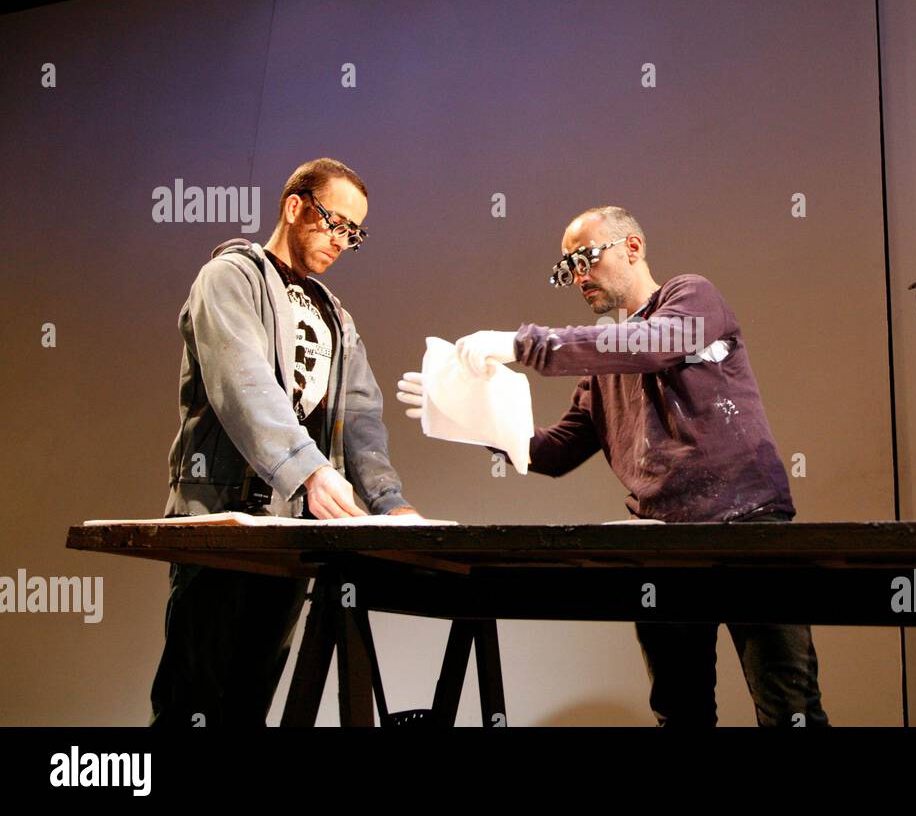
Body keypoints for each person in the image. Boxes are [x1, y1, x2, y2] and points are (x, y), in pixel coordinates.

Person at [398, 206, 828, 727]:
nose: (578, 275)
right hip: (663, 544)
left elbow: (651, 345)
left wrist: (522, 344)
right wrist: (473, 420)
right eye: (567, 268)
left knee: (790, 710)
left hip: (749, 529)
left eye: (585, 257)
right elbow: (554, 452)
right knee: (680, 713)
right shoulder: (604, 370)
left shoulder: (690, 296)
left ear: (633, 247)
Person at [150, 158, 418, 726]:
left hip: (290, 529)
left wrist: (391, 503)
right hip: (221, 519)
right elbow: (242, 383)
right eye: (333, 222)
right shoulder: (231, 277)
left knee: (250, 702)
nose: (342, 241)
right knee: (192, 703)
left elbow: (362, 416)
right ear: (295, 207)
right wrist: (310, 470)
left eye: (354, 232)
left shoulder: (335, 316)